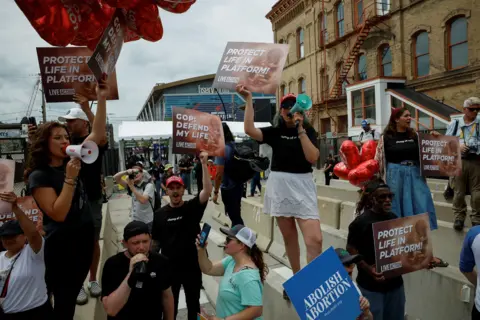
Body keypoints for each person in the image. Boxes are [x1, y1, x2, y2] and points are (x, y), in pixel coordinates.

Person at [26, 79, 108, 319]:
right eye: (58, 138)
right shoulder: (40, 176)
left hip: (81, 244)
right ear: (44, 143)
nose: (65, 142)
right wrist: (70, 179)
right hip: (62, 249)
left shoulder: (70, 160)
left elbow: (98, 132)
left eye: (66, 136)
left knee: (69, 299)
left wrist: (100, 98)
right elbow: (58, 213)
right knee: (61, 301)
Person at [241, 85, 322, 300]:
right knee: (290, 238)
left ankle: (313, 283)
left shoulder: (308, 131)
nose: (289, 109)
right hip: (281, 184)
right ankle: (298, 280)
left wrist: (301, 129)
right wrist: (249, 100)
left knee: (315, 239)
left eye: (293, 106)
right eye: (285, 106)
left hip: (303, 184)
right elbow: (249, 130)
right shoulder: (275, 131)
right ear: (281, 111)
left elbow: (313, 158)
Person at [58, 94, 108, 304]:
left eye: (71, 121)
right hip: (69, 198)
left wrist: (88, 108)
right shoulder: (64, 142)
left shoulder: (94, 140)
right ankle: (78, 283)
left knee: (93, 241)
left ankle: (93, 279)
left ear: (83, 123)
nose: (68, 125)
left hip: (92, 198)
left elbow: (101, 135)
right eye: (67, 122)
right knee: (72, 242)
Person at [151, 151, 212, 320]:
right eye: (172, 188)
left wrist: (204, 165)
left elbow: (207, 191)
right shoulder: (159, 215)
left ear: (184, 189)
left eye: (178, 187)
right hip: (169, 269)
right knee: (170, 307)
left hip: (192, 266)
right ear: (166, 190)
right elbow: (155, 243)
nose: (175, 191)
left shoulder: (192, 207)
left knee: (194, 304)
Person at [347, 181, 405, 320]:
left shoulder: (395, 219)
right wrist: (368, 269)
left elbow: (403, 247)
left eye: (390, 196)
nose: (387, 200)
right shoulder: (360, 223)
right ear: (372, 198)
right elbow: (351, 249)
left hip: (396, 286)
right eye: (382, 197)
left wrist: (422, 259)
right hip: (370, 288)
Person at [101, 221, 174, 320]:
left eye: (145, 241)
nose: (141, 247)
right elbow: (111, 309)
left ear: (150, 239)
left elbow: (167, 297)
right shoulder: (113, 264)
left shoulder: (161, 262)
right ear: (125, 243)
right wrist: (131, 275)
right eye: (135, 243)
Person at [197, 225, 267, 320]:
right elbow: (208, 269)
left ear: (242, 245)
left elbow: (256, 310)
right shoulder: (232, 261)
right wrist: (201, 250)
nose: (225, 242)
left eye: (228, 239)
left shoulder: (248, 276)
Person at [0, 192, 52, 319]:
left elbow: (33, 234)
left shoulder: (33, 252)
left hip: (36, 313)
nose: (8, 239)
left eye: (13, 236)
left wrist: (15, 208)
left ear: (24, 236)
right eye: (4, 237)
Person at [445, 97, 480, 231]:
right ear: (464, 109)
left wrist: (472, 145)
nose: (475, 112)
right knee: (458, 192)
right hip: (458, 160)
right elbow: (447, 141)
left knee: (477, 193)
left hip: (476, 161)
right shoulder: (455, 123)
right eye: (472, 109)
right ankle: (459, 217)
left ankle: (477, 218)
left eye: (478, 109)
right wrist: (457, 146)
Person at [213, 123, 245, 226]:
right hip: (238, 184)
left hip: (228, 187)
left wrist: (216, 191)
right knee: (236, 214)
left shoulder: (221, 149)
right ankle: (234, 239)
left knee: (234, 217)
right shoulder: (233, 145)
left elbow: (219, 174)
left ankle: (245, 240)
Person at [334, 248, 373, 320]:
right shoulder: (323, 296)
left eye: (352, 264)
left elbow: (369, 318)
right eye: (347, 265)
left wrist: (366, 311)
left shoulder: (354, 287)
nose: (351, 269)